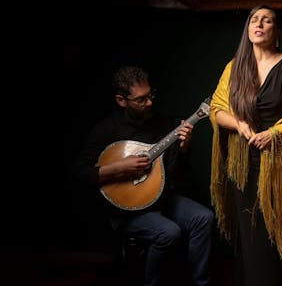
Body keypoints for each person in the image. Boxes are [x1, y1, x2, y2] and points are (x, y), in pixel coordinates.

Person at [72, 65, 214, 286]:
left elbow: (176, 174)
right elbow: (80, 172)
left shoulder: (164, 124)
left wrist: (184, 148)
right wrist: (120, 168)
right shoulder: (107, 129)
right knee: (169, 232)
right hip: (125, 209)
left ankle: (201, 283)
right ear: (121, 100)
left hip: (161, 197)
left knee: (203, 218)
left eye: (150, 96)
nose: (149, 103)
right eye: (140, 99)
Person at [209, 4, 282, 286]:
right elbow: (217, 110)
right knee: (252, 243)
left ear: (276, 30)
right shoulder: (234, 67)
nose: (259, 24)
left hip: (280, 166)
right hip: (243, 166)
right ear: (248, 29)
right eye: (254, 20)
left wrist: (276, 132)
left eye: (266, 20)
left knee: (279, 240)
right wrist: (239, 124)